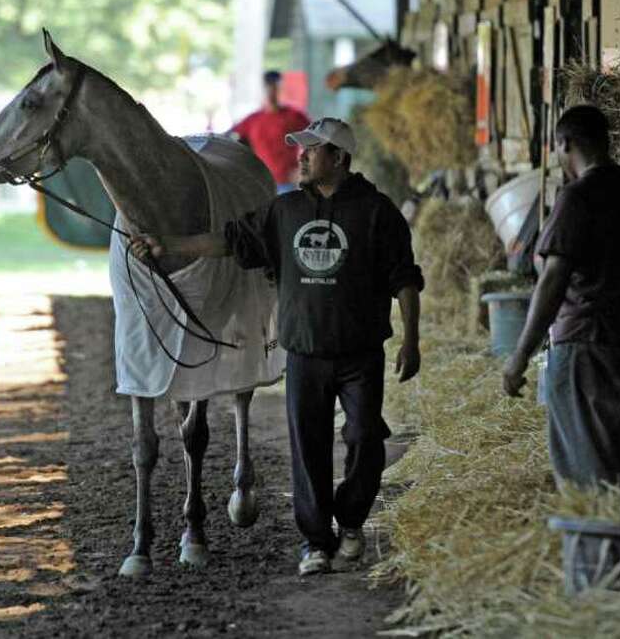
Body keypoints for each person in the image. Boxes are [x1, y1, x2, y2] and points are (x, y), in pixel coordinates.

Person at [130, 117, 424, 576]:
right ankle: (315, 543)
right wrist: (167, 244)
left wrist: (413, 338)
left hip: (360, 352)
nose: (300, 157)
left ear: (340, 159)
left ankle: (349, 518)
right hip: (304, 352)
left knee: (366, 438)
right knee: (308, 449)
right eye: (300, 149)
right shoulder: (284, 212)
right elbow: (230, 242)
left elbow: (405, 277)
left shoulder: (377, 212)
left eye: (312, 150)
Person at [501, 105, 620, 489]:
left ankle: (596, 541)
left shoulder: (577, 197)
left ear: (565, 143)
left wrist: (520, 354)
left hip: (585, 343)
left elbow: (553, 280)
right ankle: (619, 536)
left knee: (585, 466)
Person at [232, 70, 311, 194]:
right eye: (268, 87)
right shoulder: (252, 120)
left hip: (287, 184)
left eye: (275, 87)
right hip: (261, 185)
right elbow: (231, 141)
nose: (271, 92)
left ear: (280, 89)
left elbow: (316, 140)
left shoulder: (295, 116)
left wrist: (305, 169)